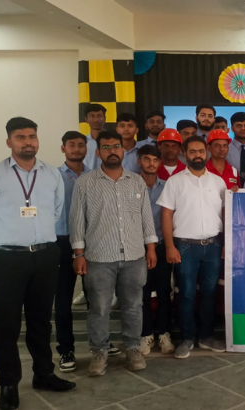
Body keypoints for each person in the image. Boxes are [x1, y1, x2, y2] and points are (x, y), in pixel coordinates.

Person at [0, 117, 75, 409]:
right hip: (6, 259)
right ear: (9, 142)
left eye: (32, 136)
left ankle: (44, 374)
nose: (28, 142)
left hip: (45, 255)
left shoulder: (51, 174)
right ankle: (8, 383)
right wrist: (2, 244)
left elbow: (56, 211)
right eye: (21, 137)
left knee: (41, 320)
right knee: (7, 323)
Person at [70, 130, 156, 376]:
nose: (112, 151)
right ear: (98, 153)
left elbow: (146, 217)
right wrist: (78, 255)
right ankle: (99, 351)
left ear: (122, 150)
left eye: (116, 146)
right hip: (99, 257)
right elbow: (77, 220)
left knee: (133, 306)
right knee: (99, 308)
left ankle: (133, 348)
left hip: (134, 256)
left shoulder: (136, 181)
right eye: (106, 147)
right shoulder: (85, 183)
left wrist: (150, 248)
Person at [158, 136, 228, 358]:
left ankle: (206, 336)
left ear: (207, 153)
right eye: (192, 152)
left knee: (209, 293)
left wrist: (226, 243)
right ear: (185, 154)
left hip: (213, 245)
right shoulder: (175, 182)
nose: (197, 155)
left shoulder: (218, 182)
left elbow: (225, 213)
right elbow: (166, 215)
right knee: (186, 293)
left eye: (201, 151)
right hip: (185, 247)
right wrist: (170, 246)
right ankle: (187, 338)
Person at [54, 132, 90, 374]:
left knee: (96, 297)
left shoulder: (94, 176)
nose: (76, 149)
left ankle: (101, 342)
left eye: (80, 145)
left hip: (91, 243)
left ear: (87, 149)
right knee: (63, 299)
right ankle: (66, 349)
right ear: (63, 148)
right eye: (71, 145)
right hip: (61, 242)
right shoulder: (53, 177)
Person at [136, 145, 175, 356]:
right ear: (139, 161)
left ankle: (164, 333)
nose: (151, 164)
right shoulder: (130, 186)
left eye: (154, 160)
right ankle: (145, 334)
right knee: (141, 293)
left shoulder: (168, 186)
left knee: (163, 292)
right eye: (146, 159)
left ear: (160, 162)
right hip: (137, 249)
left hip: (162, 246)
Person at [225, 112, 245, 187]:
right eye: (239, 125)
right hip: (230, 189)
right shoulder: (225, 149)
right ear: (232, 128)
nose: (243, 128)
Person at [82, 104, 106, 170]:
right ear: (86, 119)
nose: (96, 120)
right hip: (87, 176)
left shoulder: (112, 140)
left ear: (105, 118)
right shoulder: (83, 142)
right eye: (92, 116)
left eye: (99, 116)